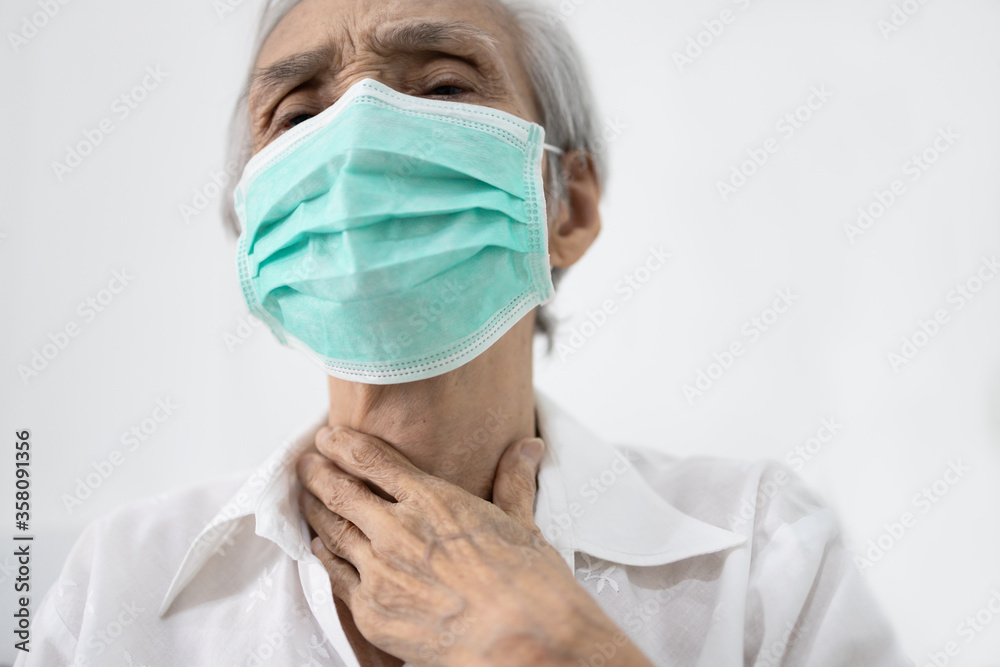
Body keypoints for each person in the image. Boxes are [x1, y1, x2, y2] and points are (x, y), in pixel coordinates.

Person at [18, 1, 914, 665]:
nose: (357, 135)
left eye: (444, 86)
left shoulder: (762, 554)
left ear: (568, 205)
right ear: (253, 222)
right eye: (297, 115)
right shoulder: (118, 585)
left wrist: (552, 645)